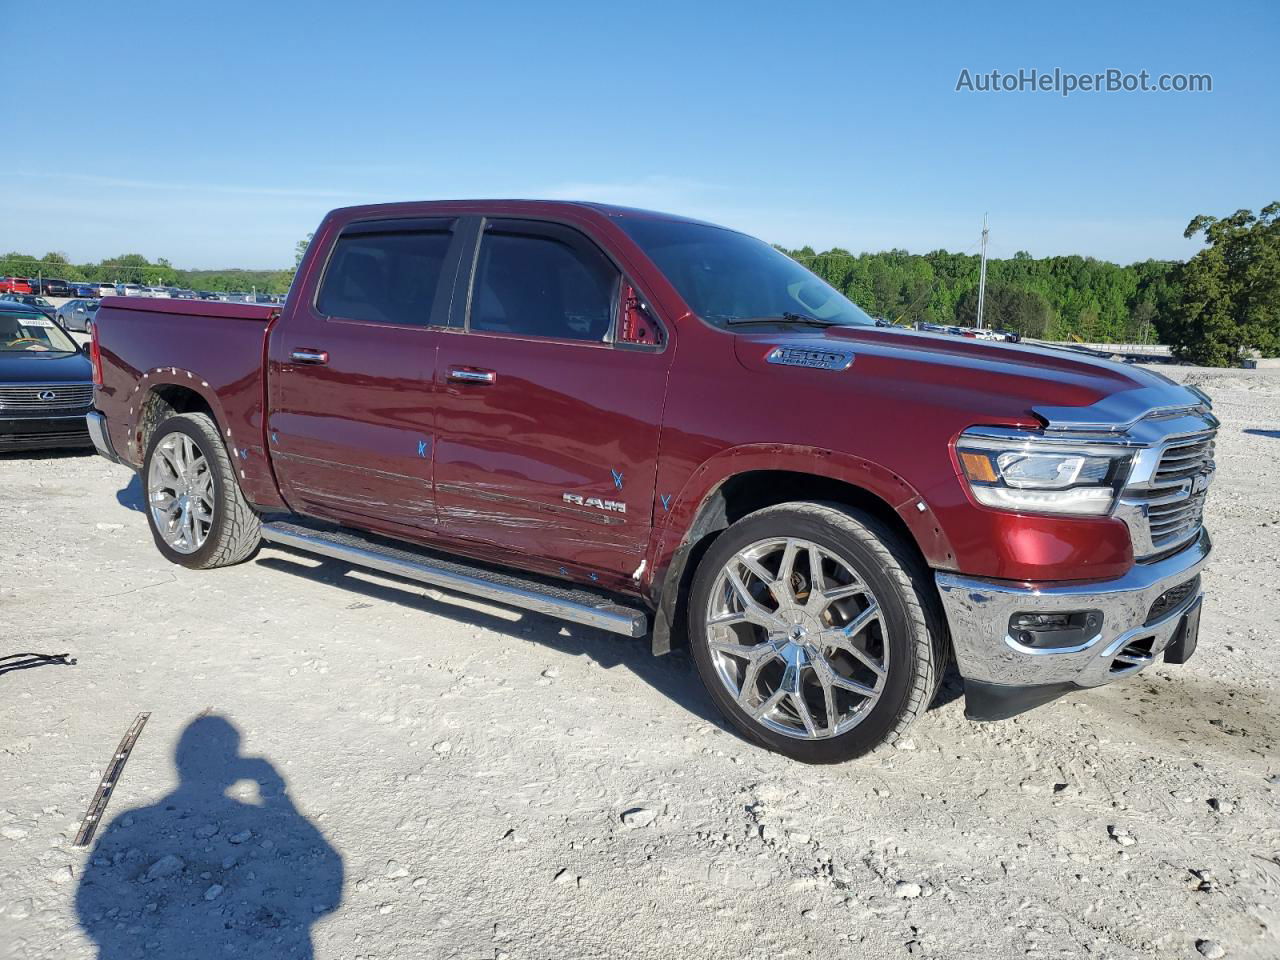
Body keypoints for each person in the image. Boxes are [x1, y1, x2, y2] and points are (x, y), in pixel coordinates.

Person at [75, 715, 343, 959]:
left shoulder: (127, 820)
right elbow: (330, 882)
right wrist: (277, 796)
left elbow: (87, 909)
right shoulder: (131, 819)